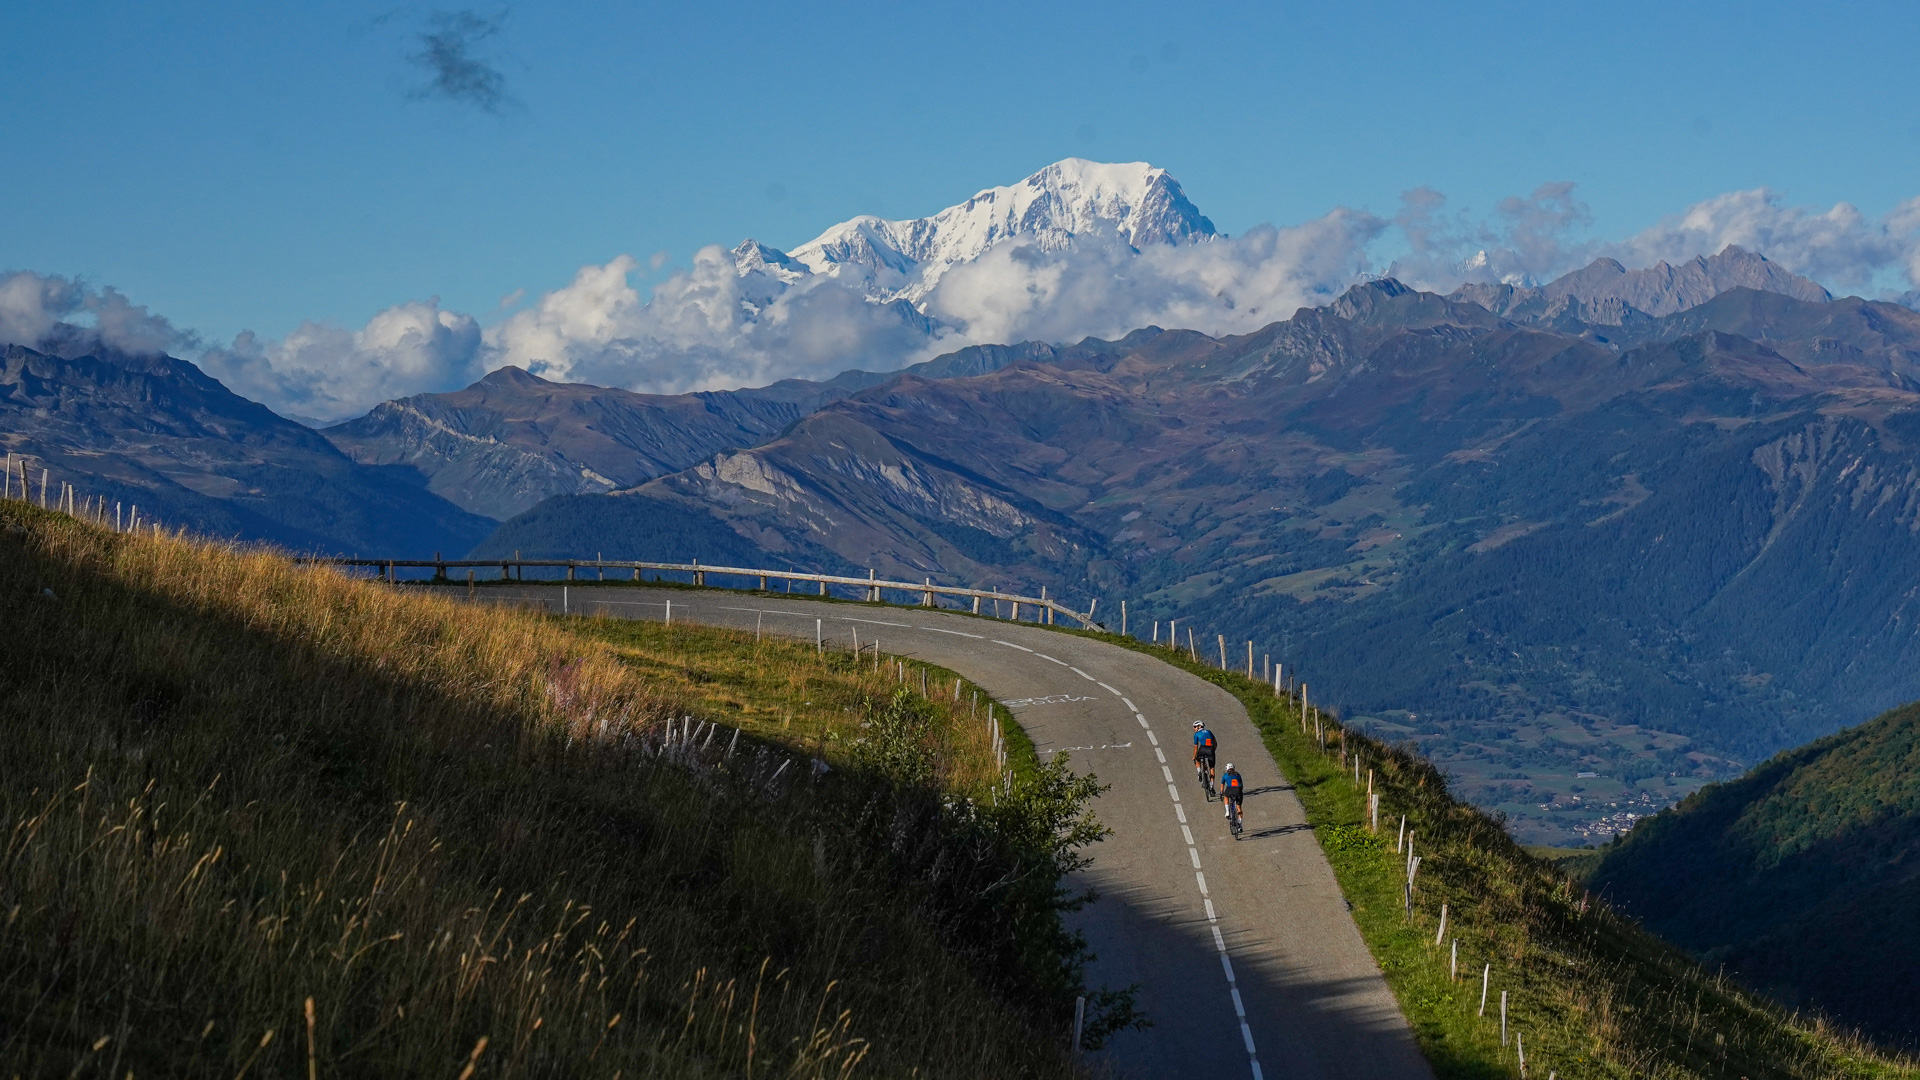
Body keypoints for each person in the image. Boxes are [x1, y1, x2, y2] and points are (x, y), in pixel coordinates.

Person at [1192, 720, 1218, 795]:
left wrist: (1194, 757)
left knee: (1197, 760)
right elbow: (1216, 743)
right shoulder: (1209, 732)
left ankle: (1199, 772)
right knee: (1212, 768)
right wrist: (1213, 751)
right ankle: (1211, 786)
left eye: (1194, 727)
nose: (1194, 729)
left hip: (1202, 749)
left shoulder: (1196, 734)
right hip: (1211, 749)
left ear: (1199, 726)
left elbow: (1196, 748)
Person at [1220, 762, 1244, 830]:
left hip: (1230, 790)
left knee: (1226, 796)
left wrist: (1221, 793)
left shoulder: (1225, 775)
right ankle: (1240, 823)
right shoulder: (1238, 774)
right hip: (1238, 790)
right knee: (1238, 807)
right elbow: (1241, 785)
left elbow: (1222, 785)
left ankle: (1227, 811)